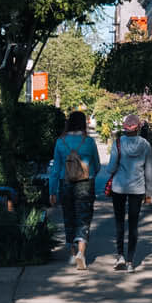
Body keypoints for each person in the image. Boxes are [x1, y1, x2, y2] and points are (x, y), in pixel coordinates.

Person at [49, 108, 101, 269]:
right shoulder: (89, 142)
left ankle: (72, 253)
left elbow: (55, 169)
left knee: (69, 217)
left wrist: (52, 191)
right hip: (86, 183)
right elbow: (97, 165)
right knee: (84, 218)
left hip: (66, 183)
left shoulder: (60, 142)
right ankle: (81, 253)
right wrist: (88, 173)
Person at [102, 112, 152, 271]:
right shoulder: (145, 145)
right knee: (133, 224)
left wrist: (115, 168)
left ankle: (120, 256)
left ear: (125, 128)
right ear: (138, 128)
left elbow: (111, 167)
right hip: (137, 189)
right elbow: (149, 170)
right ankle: (131, 262)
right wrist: (149, 192)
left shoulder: (118, 143)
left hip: (119, 187)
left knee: (119, 223)